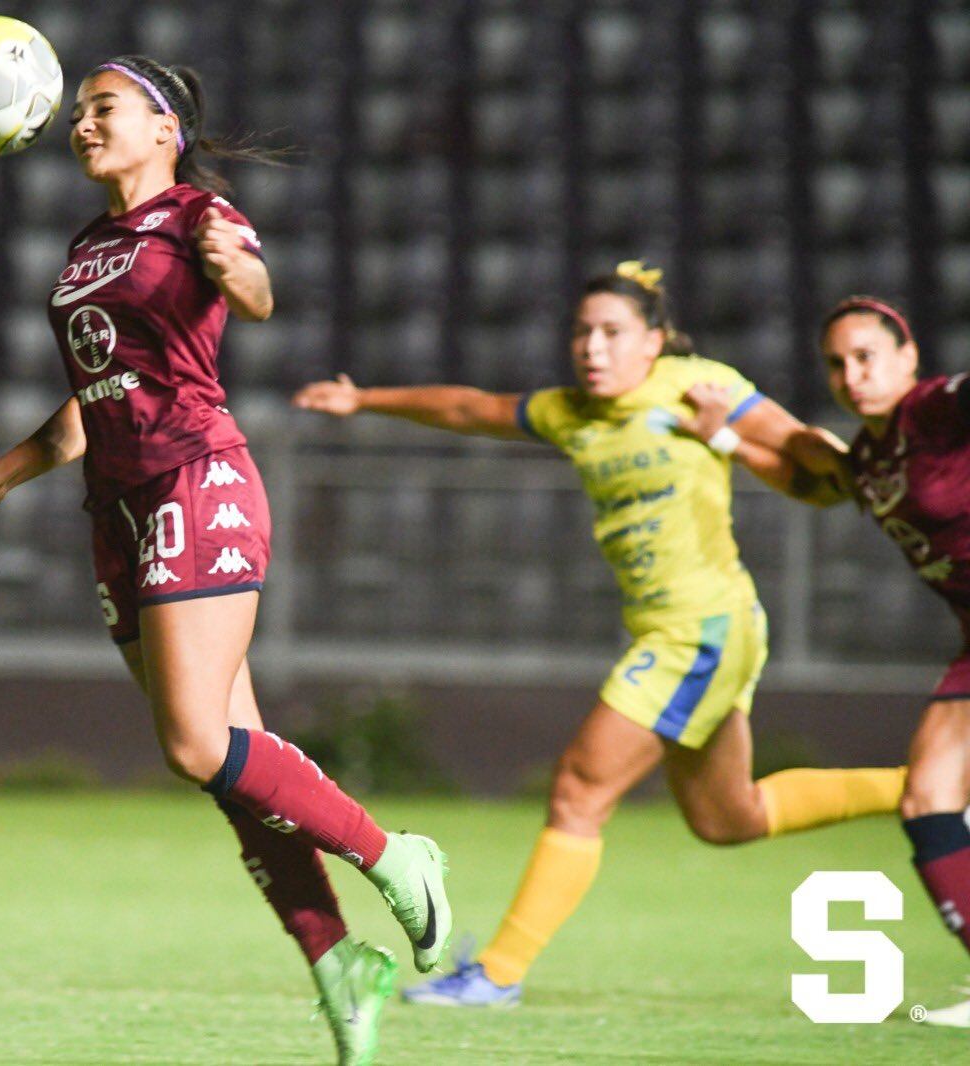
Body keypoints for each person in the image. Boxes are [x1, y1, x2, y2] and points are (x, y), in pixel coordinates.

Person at [0, 55, 449, 1063]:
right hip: (115, 509)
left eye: (103, 109)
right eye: (79, 112)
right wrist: (9, 467)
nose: (82, 125)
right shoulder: (88, 245)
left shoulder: (196, 213)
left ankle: (396, 856)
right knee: (227, 761)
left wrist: (232, 269)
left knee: (192, 741)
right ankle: (335, 960)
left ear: (164, 124)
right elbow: (98, 393)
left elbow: (256, 294)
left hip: (195, 481)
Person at [292, 262, 906, 1008]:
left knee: (580, 789)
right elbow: (468, 408)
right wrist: (364, 399)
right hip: (684, 628)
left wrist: (732, 439)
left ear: (654, 344)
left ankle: (497, 975)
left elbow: (820, 471)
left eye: (613, 333)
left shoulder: (700, 384)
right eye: (582, 333)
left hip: (701, 628)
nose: (593, 348)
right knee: (726, 817)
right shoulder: (570, 410)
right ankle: (928, 791)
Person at [677, 295, 970, 1027]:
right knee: (928, 798)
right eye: (837, 364)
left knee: (933, 795)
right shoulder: (872, 455)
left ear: (909, 358)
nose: (852, 374)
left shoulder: (936, 410)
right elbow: (818, 469)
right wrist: (726, 441)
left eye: (867, 356)